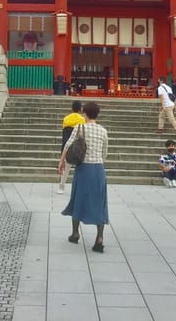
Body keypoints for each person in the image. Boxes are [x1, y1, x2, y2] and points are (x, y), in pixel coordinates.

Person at [57, 101, 109, 252]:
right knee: (100, 202)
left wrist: (61, 161)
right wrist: (99, 161)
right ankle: (99, 238)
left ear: (84, 114)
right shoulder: (103, 130)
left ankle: (75, 233)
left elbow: (68, 145)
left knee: (78, 198)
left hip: (83, 168)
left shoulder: (80, 128)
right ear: (97, 114)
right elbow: (105, 152)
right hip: (98, 169)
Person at [57, 100, 85, 194]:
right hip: (78, 146)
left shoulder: (66, 119)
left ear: (72, 108)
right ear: (80, 108)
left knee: (66, 168)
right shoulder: (82, 119)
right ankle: (80, 187)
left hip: (67, 145)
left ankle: (61, 187)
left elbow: (64, 134)